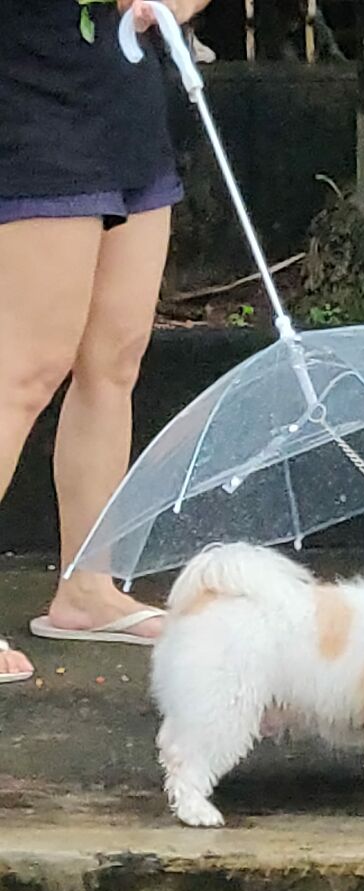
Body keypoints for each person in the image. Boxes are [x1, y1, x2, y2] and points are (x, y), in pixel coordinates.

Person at [0, 0, 210, 684]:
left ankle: (87, 588)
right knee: (24, 371)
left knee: (114, 358)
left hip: (124, 96)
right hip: (31, 97)